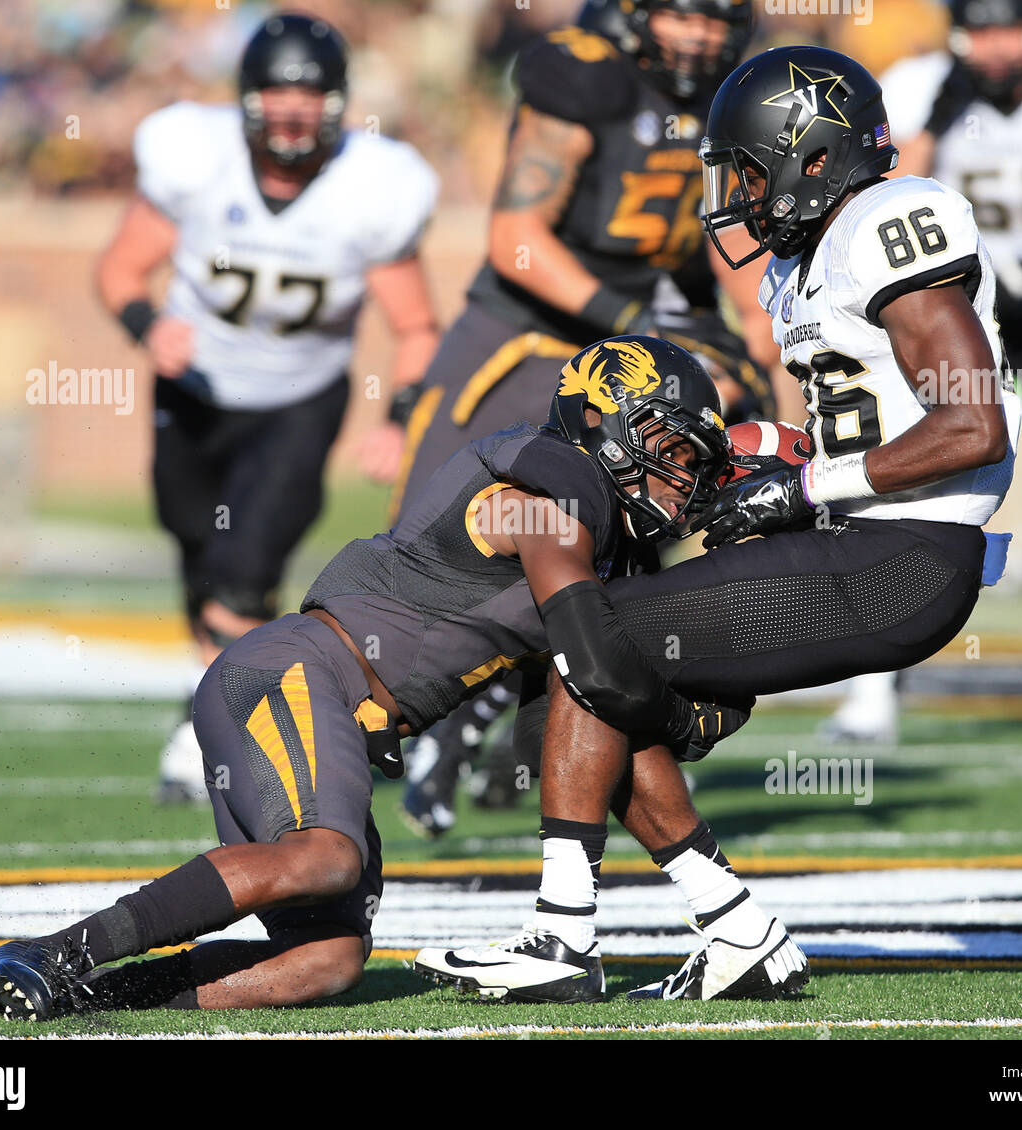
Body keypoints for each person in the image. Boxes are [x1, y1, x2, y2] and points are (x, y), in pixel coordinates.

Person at [415, 42, 1020, 1003]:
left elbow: (969, 423)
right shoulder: (809, 261)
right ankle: (733, 928)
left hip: (905, 553)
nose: (736, 190)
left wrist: (806, 487)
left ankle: (565, 940)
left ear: (812, 158)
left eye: (748, 166)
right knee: (594, 646)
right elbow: (851, 421)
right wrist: (743, 457)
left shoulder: (886, 224)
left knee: (594, 642)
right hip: (864, 538)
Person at [0, 337, 751, 1019]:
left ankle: (87, 996)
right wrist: (689, 710)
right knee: (323, 857)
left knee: (325, 962)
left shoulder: (592, 534)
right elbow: (601, 664)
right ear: (604, 422)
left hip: (331, 710)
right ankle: (50, 952)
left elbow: (578, 724)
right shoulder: (543, 505)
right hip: (296, 671)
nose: (678, 476)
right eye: (669, 448)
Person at [397, 0, 769, 836]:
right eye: (683, 16)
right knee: (433, 531)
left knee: (647, 517)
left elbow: (738, 242)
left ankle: (531, 721)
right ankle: (418, 713)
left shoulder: (735, 93)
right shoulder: (582, 72)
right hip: (532, 325)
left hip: (647, 329)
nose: (702, 37)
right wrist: (632, 314)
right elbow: (515, 238)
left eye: (718, 20)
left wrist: (761, 348)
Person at [95, 13, 440, 803]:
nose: (292, 110)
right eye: (277, 92)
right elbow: (119, 271)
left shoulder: (372, 186)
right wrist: (149, 327)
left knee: (244, 572)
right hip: (195, 395)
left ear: (338, 102)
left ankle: (202, 728)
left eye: (310, 94)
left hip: (298, 398)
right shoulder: (194, 158)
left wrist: (398, 419)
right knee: (196, 552)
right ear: (245, 99)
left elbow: (416, 326)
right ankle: (216, 694)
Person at [819, 0, 1022, 745]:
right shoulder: (918, 84)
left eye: (1008, 29)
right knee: (899, 479)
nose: (994, 49)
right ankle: (872, 692)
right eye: (979, 31)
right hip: (948, 310)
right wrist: (938, 116)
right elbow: (879, 199)